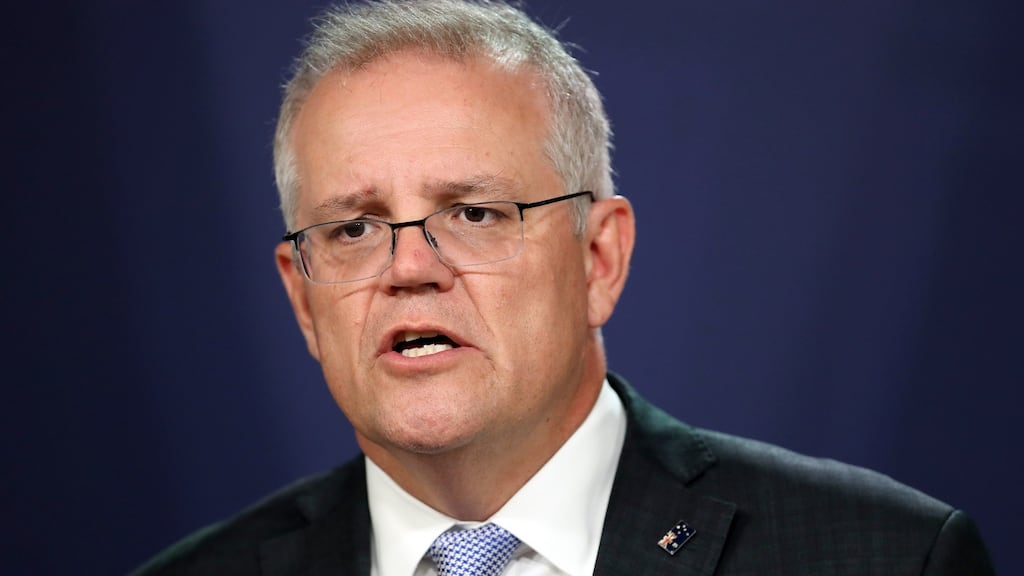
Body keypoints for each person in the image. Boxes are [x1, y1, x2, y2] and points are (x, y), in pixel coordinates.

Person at [133, 1, 995, 574]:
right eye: (352, 229)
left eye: (473, 212)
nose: (407, 267)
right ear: (301, 297)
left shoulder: (887, 557)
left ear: (598, 259)